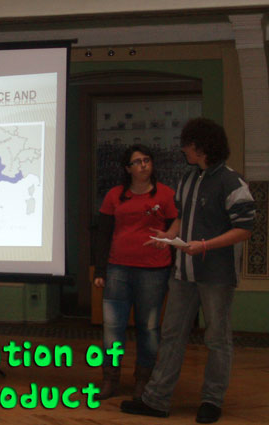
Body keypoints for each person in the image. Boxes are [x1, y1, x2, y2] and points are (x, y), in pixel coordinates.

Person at [120, 118, 255, 423]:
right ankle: (156, 399)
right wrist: (168, 236)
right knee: (171, 334)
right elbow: (181, 217)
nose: (183, 149)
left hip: (217, 276)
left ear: (202, 146)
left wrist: (205, 245)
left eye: (187, 144)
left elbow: (245, 229)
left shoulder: (233, 182)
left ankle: (212, 401)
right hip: (183, 273)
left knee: (217, 339)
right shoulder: (188, 178)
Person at [93, 144, 178, 400]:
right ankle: (110, 379)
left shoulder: (166, 194)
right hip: (118, 268)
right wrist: (100, 270)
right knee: (112, 328)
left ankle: (143, 380)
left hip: (154, 270)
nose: (143, 165)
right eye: (137, 161)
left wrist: (172, 264)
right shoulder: (114, 195)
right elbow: (103, 234)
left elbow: (176, 226)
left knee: (149, 327)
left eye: (147, 160)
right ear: (127, 168)